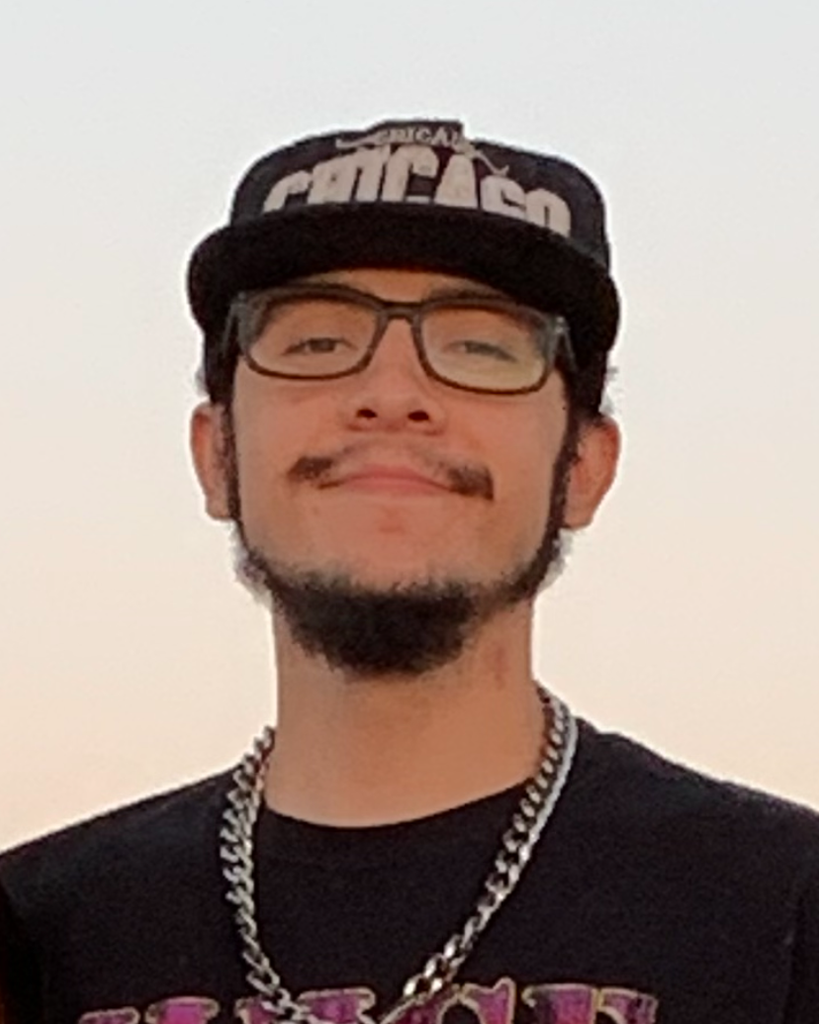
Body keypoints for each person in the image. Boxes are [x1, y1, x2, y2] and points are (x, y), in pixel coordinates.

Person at [1, 118, 817, 1024]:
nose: (392, 393)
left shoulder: (782, 908)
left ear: (584, 468)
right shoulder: (38, 937)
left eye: (480, 347)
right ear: (216, 456)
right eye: (316, 342)